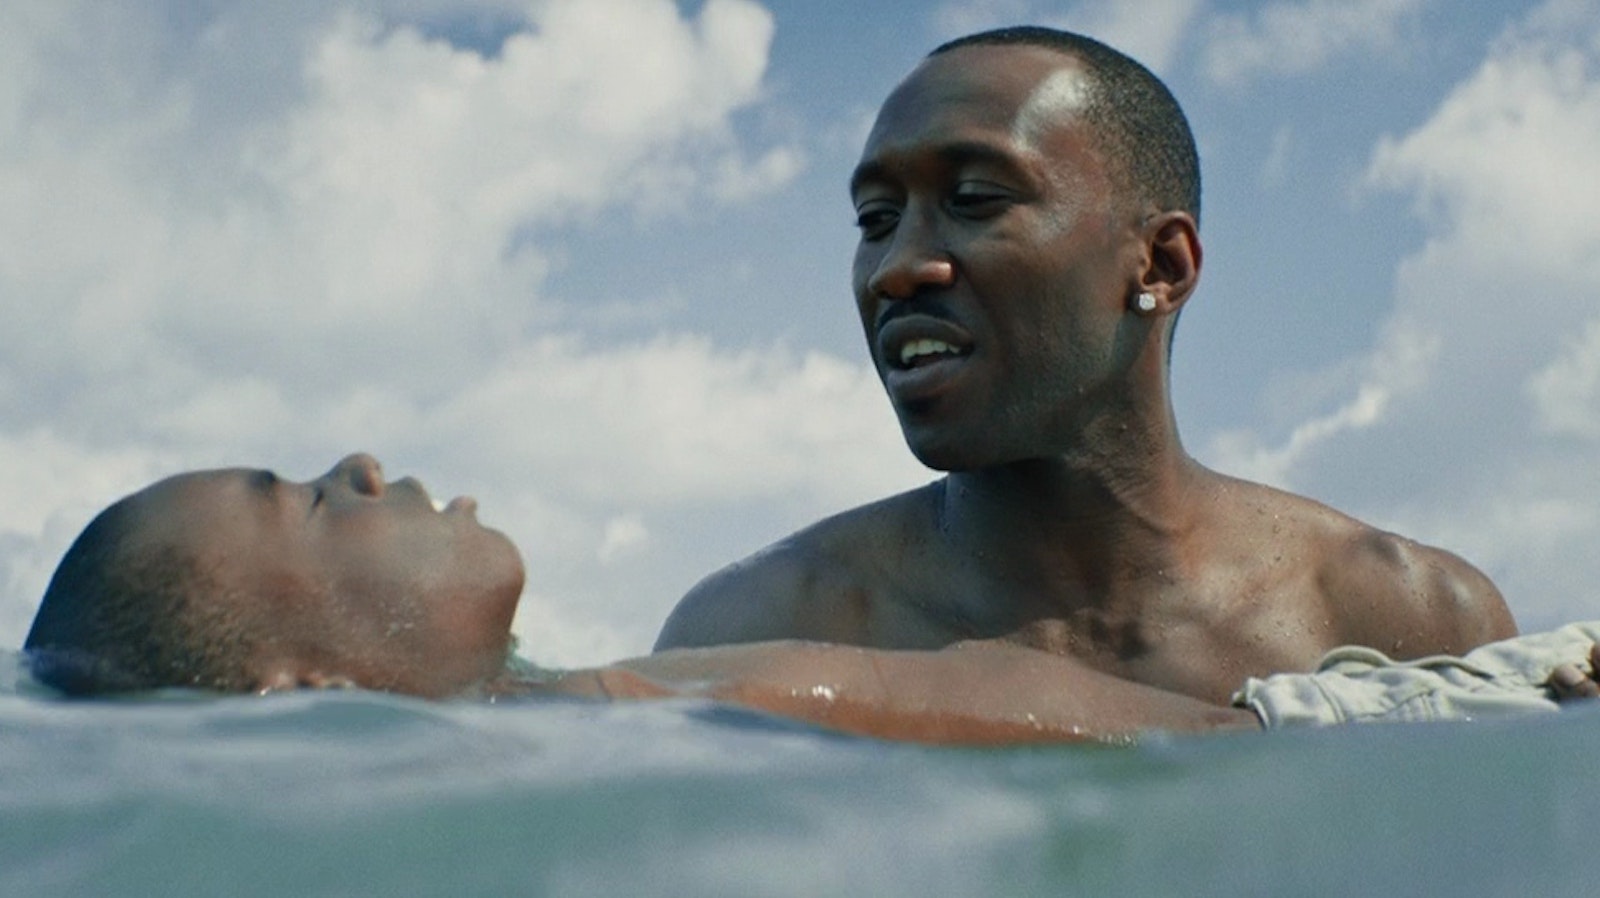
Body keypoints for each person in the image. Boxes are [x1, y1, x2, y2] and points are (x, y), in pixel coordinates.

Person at [654, 26, 1516, 706]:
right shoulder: (758, 634)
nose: (897, 268)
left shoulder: (1406, 620)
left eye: (974, 200)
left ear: (1162, 266)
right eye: (876, 220)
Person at [21, 455, 1599, 744]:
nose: (363, 463)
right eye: (307, 500)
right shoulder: (640, 705)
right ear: (299, 700)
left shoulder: (604, 705)